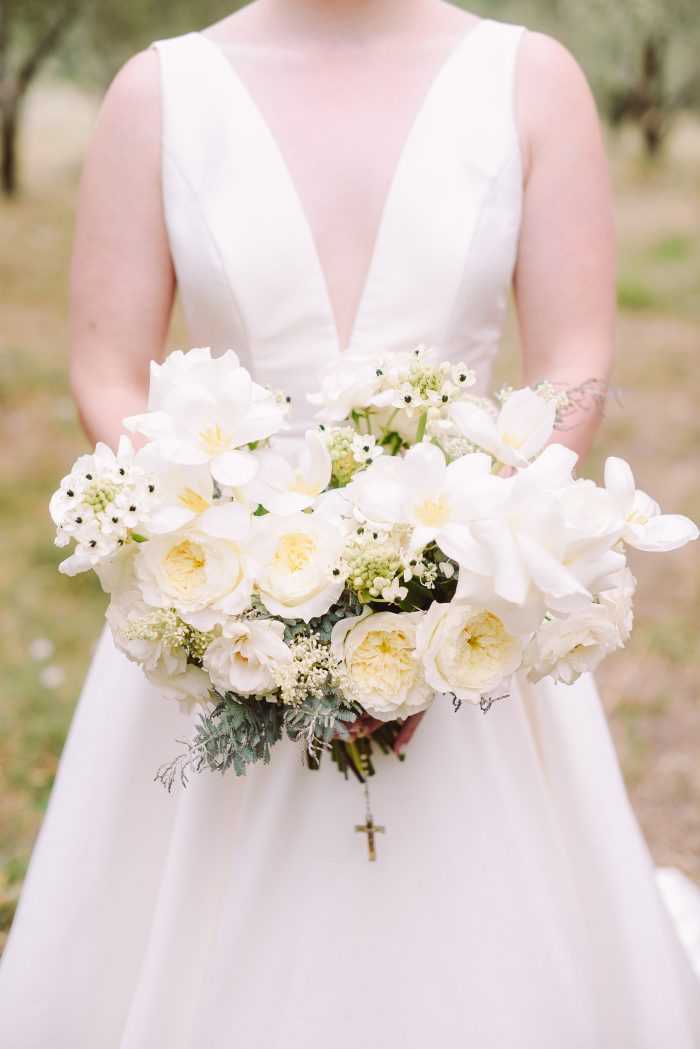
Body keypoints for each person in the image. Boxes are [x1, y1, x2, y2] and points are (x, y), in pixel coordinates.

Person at [1, 0, 699, 1045]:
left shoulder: (527, 79)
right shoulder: (158, 91)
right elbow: (108, 368)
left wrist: (442, 584)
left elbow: (570, 367)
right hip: (224, 593)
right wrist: (236, 578)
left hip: (463, 582)